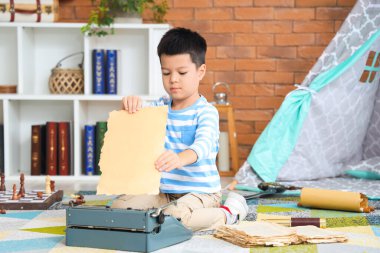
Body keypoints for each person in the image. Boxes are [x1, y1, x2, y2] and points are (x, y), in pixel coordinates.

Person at [111, 27, 248, 231]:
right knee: (119, 207)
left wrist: (180, 158)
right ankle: (163, 216)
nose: (173, 79)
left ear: (200, 72)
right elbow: (134, 120)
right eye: (166, 73)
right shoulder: (158, 107)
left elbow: (203, 145)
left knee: (174, 218)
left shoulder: (206, 112)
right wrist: (129, 104)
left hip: (201, 193)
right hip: (164, 193)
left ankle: (229, 214)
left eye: (182, 73)